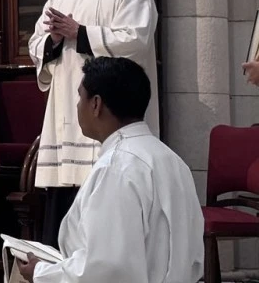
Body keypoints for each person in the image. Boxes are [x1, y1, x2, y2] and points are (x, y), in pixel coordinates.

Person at [28, 0, 159, 247]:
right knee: (64, 201)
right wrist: (54, 40)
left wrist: (81, 33)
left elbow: (137, 38)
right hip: (67, 111)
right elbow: (36, 43)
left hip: (110, 108)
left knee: (106, 202)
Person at [15, 57, 204, 283]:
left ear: (96, 104)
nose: (77, 106)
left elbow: (107, 269)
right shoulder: (173, 161)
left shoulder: (117, 167)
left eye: (79, 96)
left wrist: (40, 272)